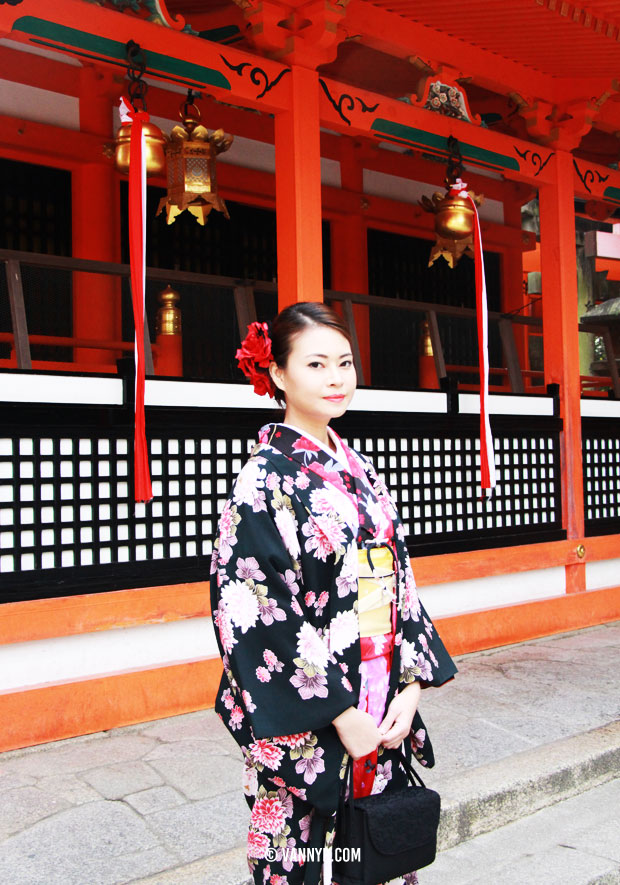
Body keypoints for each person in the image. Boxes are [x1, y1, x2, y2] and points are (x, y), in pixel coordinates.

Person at [210, 302, 457, 885]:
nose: (336, 378)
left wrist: (412, 684)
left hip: (381, 699)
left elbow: (397, 577)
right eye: (316, 364)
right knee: (304, 860)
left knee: (376, 853)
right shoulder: (263, 480)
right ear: (277, 374)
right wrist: (339, 714)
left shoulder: (359, 467)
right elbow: (253, 607)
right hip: (315, 711)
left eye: (344, 363)